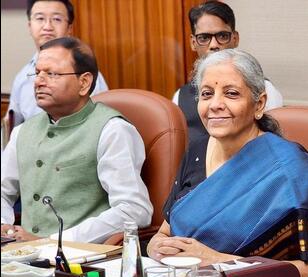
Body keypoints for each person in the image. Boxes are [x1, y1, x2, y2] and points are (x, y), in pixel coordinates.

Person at [148, 49, 308, 277]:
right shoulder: (197, 152)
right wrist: (156, 246)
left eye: (231, 94)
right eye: (207, 94)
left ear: (259, 104)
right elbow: (164, 232)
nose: (215, 105)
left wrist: (221, 262)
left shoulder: (292, 170)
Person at [1, 37, 153, 244]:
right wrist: (4, 225)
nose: (38, 81)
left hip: (81, 261)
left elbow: (134, 209)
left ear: (84, 82)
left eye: (52, 74)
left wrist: (55, 241)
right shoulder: (22, 132)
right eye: (37, 73)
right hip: (21, 259)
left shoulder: (112, 129)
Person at [172, 0, 283, 146]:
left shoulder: (264, 89)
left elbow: (273, 146)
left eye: (222, 36)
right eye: (204, 38)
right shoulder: (180, 96)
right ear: (193, 42)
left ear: (235, 38)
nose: (214, 45)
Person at [7, 0, 108, 127]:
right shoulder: (22, 77)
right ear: (29, 26)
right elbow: (11, 127)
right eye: (40, 18)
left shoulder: (85, 74)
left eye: (56, 19)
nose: (47, 26)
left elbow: (100, 123)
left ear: (69, 28)